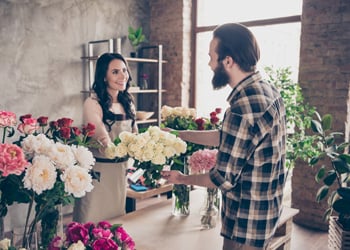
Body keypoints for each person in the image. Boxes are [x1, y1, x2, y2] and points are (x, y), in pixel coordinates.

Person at [162, 23, 287, 250]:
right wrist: (179, 134)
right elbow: (227, 137)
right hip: (265, 207)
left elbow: (220, 179)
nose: (209, 64)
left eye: (212, 57)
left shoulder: (242, 107)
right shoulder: (267, 89)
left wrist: (182, 179)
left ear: (228, 61)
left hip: (247, 217)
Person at [73, 52, 138, 223]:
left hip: (119, 172)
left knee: (115, 221)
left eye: (124, 70)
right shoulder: (93, 103)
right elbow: (100, 135)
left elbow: (134, 134)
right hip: (99, 172)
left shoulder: (128, 103)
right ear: (103, 76)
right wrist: (112, 147)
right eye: (115, 72)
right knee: (91, 220)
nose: (123, 75)